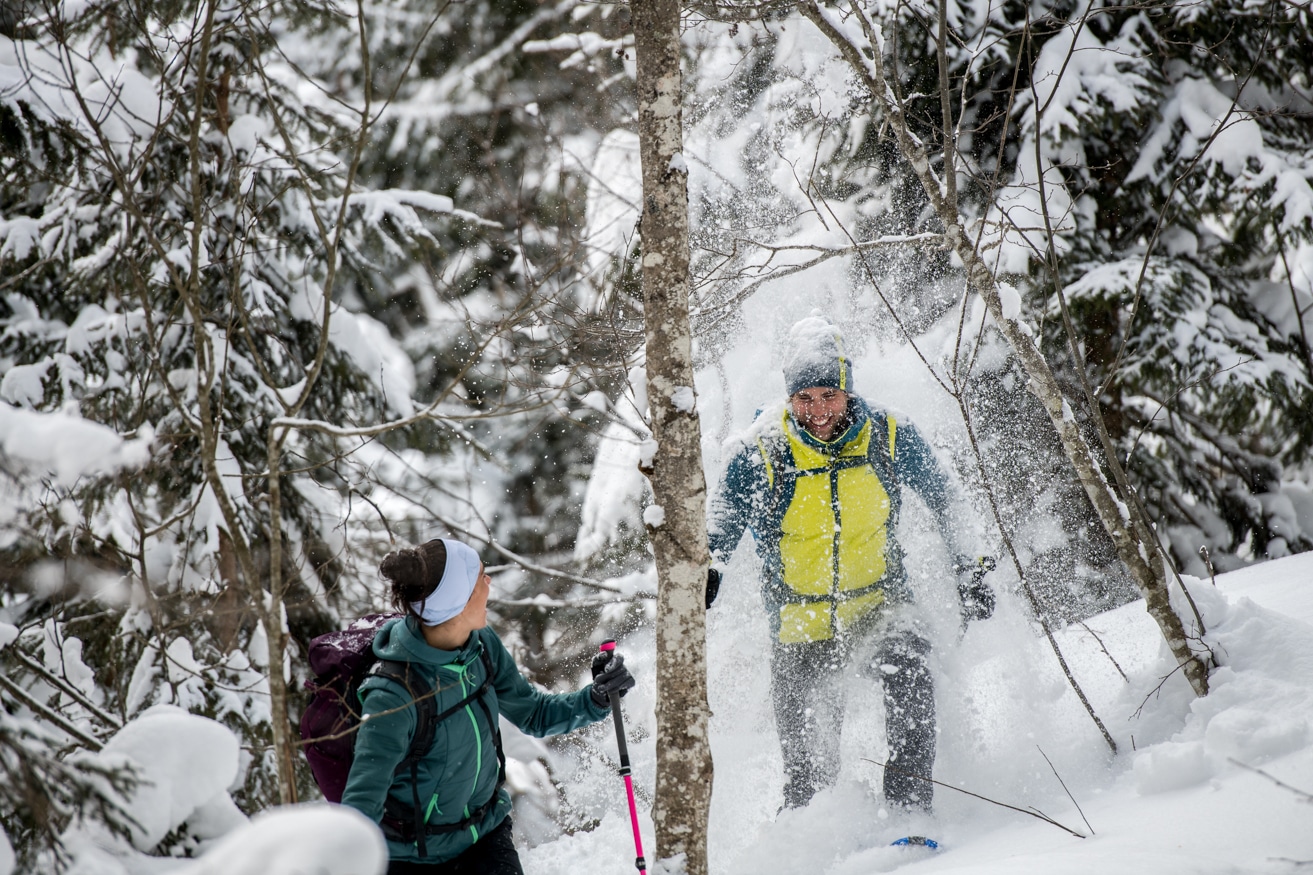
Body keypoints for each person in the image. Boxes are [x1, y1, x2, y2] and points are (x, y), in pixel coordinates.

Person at [706, 315, 994, 812]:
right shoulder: (761, 449)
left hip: (880, 605)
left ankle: (909, 810)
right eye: (804, 399)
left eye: (829, 395)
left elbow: (947, 497)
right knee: (808, 774)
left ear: (848, 389)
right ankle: (813, 840)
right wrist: (707, 571)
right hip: (799, 626)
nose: (817, 411)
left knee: (911, 678)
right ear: (789, 397)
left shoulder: (887, 434)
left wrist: (973, 567)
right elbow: (720, 523)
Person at [340, 537, 635, 874]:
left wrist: (595, 698)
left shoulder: (479, 645)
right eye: (480, 576)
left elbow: (533, 713)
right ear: (457, 602)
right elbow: (361, 806)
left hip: (485, 835)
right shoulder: (393, 696)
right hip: (413, 858)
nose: (489, 582)